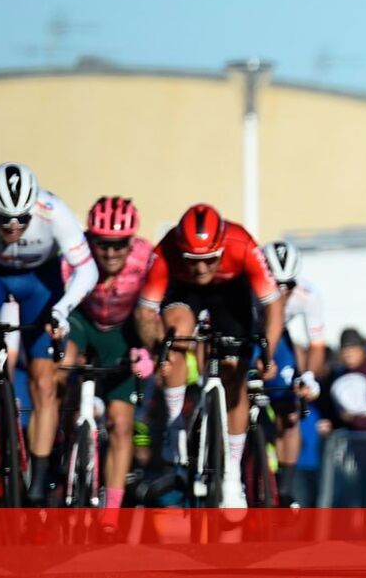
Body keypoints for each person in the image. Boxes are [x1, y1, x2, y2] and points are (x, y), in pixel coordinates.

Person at [0, 163, 97, 505]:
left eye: (22, 220)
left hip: (39, 280)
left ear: (33, 208)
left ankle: (38, 484)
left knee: (44, 381)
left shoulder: (54, 211)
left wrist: (62, 310)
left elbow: (87, 270)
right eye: (4, 220)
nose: (13, 227)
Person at [134, 203, 282, 509]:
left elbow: (273, 304)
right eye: (193, 260)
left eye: (210, 259)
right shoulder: (166, 251)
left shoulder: (242, 243)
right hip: (183, 292)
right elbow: (145, 313)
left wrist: (268, 352)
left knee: (235, 376)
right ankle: (175, 426)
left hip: (230, 293)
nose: (201, 269)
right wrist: (158, 350)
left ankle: (232, 474)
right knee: (175, 337)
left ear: (222, 247)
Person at [59, 196, 156, 525]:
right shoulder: (74, 254)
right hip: (82, 321)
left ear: (132, 241)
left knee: (120, 423)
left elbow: (156, 307)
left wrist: (147, 349)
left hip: (123, 331)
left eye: (120, 245)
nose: (111, 253)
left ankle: (111, 512)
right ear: (91, 239)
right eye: (103, 244)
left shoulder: (146, 258)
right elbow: (59, 305)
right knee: (63, 364)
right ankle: (59, 440)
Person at [260, 240, 323, 507]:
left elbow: (316, 345)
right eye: (276, 284)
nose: (283, 291)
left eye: (289, 285)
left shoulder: (307, 294)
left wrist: (308, 377)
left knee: (291, 412)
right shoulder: (249, 289)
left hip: (279, 339)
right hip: (249, 332)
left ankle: (285, 489)